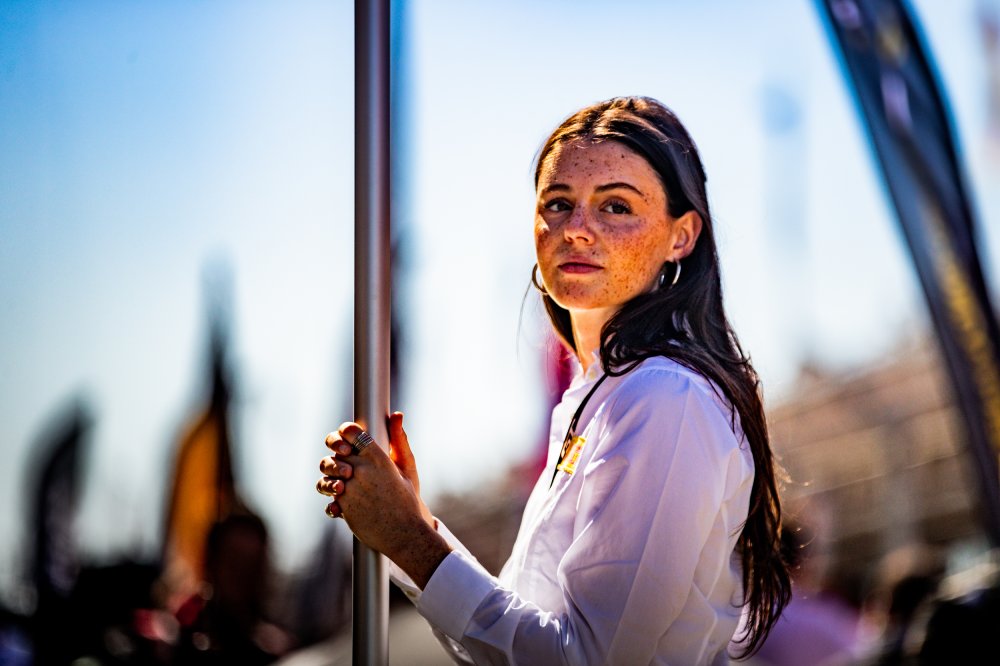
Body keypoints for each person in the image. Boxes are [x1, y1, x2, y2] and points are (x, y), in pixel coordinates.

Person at [316, 96, 791, 664]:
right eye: (558, 203)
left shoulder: (665, 396)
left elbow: (583, 659)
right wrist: (413, 525)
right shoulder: (597, 396)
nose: (577, 230)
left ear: (681, 236)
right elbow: (517, 641)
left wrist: (410, 541)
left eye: (616, 206)